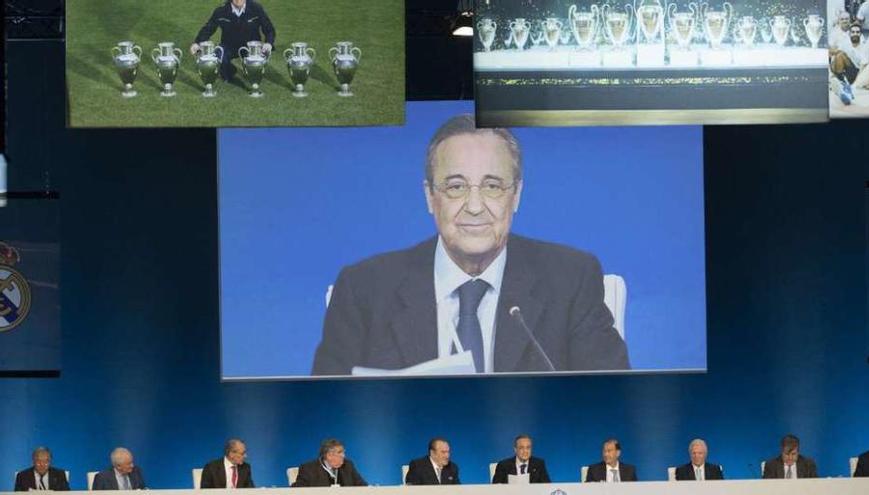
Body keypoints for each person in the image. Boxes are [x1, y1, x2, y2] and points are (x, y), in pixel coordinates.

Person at [312, 114, 630, 376]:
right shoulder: (364, 289)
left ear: (515, 194)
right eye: (456, 187)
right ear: (430, 197)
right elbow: (326, 413)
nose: (475, 206)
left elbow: (610, 401)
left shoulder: (571, 280)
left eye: (492, 186)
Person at [189, 0, 276, 81]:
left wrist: (268, 43)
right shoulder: (221, 10)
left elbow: (269, 29)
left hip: (252, 48)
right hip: (229, 45)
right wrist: (197, 43)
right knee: (220, 62)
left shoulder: (256, 8)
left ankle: (250, 70)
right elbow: (208, 28)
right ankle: (231, 70)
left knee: (252, 75)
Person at [293, 439, 367, 487]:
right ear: (329, 455)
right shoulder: (308, 469)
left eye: (343, 452)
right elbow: (297, 490)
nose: (343, 455)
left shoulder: (348, 465)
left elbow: (362, 486)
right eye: (340, 452)